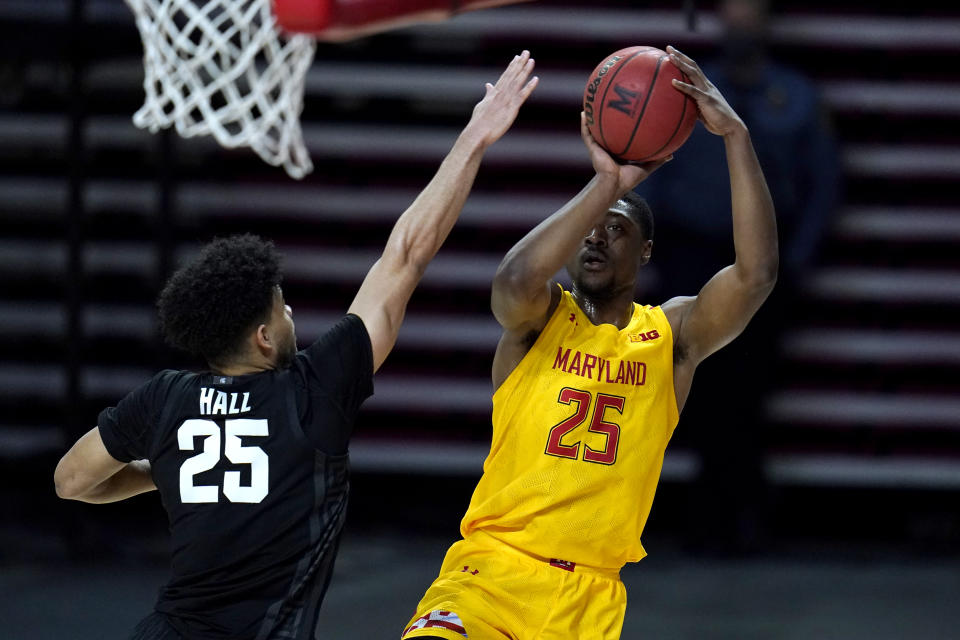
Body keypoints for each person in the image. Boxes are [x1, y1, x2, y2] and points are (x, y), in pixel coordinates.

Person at [53, 52, 538, 640]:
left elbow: (71, 482)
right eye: (281, 308)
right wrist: (475, 137)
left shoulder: (164, 401)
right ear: (263, 338)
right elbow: (406, 255)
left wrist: (166, 472)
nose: (291, 315)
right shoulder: (314, 390)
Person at [401, 46, 777, 640]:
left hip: (591, 600)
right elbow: (515, 279)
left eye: (617, 228)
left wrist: (735, 136)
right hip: (491, 575)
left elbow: (755, 277)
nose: (596, 236)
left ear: (646, 252)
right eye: (591, 227)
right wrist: (606, 185)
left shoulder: (671, 337)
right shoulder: (540, 317)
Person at [635, 0, 840, 552]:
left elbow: (822, 184)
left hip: (758, 266)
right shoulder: (687, 91)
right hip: (688, 257)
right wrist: (642, 255)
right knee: (692, 388)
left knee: (747, 390)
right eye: (731, 10)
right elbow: (653, 168)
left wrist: (793, 263)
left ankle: (738, 513)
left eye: (751, 10)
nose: (740, 22)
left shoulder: (796, 97)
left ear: (771, 21)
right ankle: (714, 511)